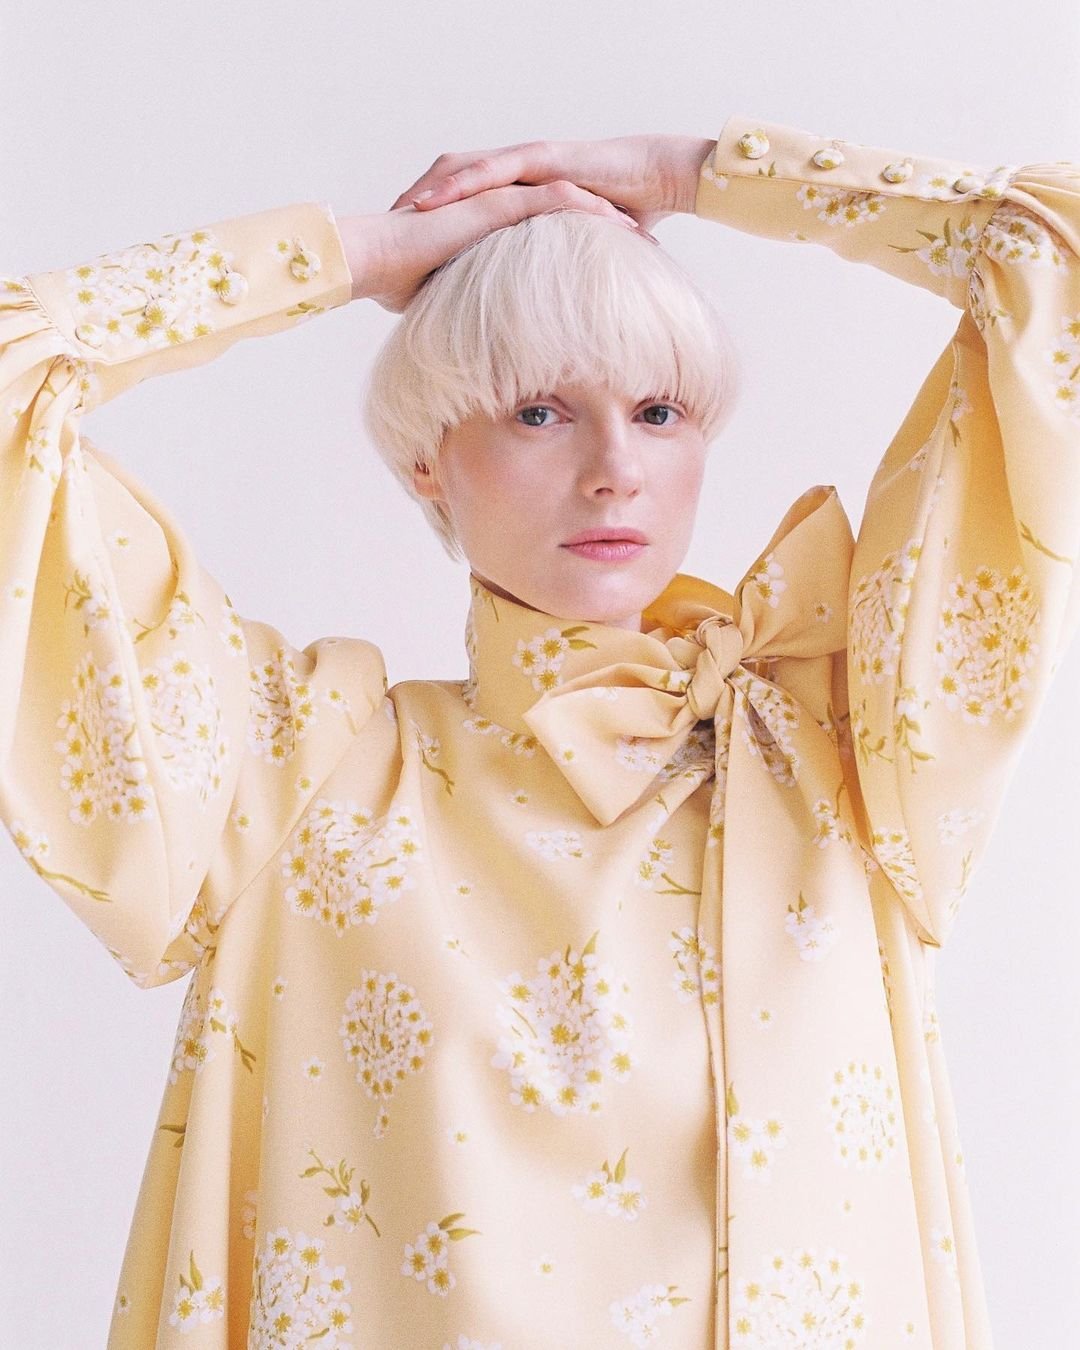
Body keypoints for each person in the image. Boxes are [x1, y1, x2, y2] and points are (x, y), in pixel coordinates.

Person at [0, 114, 1076, 1348]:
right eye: (538, 412)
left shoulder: (852, 742)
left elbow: (1057, 259)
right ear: (427, 459)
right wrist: (351, 257)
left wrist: (701, 176)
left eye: (660, 410)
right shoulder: (292, 768)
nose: (617, 468)